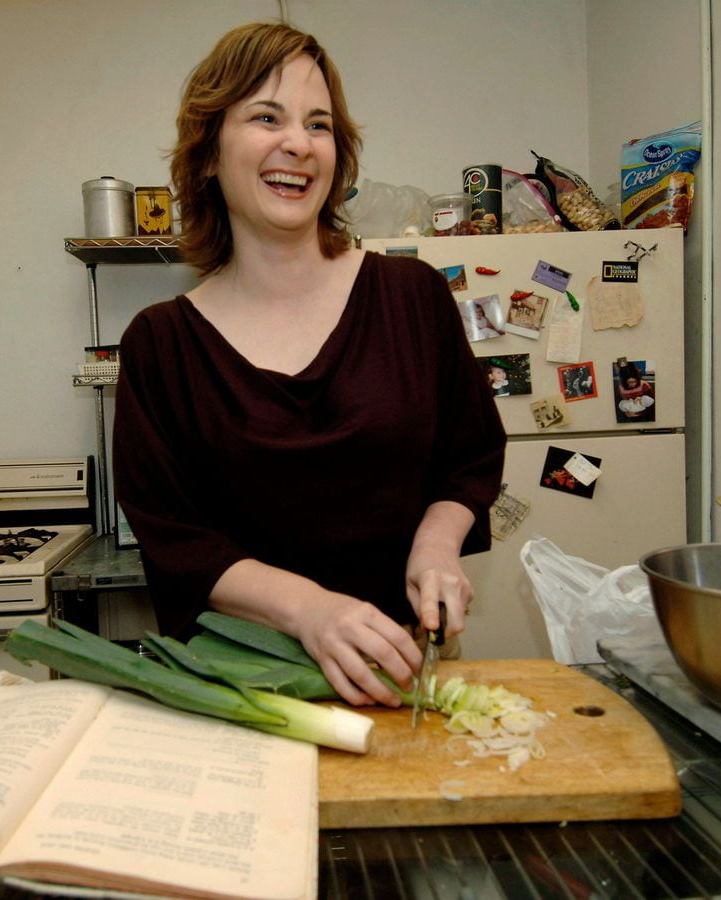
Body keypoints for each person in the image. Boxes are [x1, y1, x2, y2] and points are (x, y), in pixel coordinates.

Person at [112, 22, 506, 708]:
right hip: (240, 687)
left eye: (318, 125)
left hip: (399, 666)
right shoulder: (161, 345)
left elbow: (468, 459)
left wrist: (438, 547)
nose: (298, 143)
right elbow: (176, 540)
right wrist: (309, 610)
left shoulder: (413, 299)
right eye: (266, 117)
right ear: (207, 154)